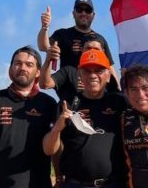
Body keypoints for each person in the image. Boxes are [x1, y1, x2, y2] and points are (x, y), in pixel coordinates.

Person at [43, 49, 127, 188]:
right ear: (80, 75)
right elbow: (48, 150)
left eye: (99, 70)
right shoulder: (67, 105)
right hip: (76, 184)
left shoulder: (119, 102)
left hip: (114, 183)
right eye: (87, 70)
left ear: (108, 75)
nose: (92, 75)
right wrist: (57, 129)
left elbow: (146, 104)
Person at [0, 46, 57, 188]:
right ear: (10, 69)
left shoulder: (49, 104)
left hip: (38, 184)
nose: (23, 68)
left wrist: (59, 176)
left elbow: (55, 147)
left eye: (29, 64)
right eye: (17, 63)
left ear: (38, 72)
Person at [37, 0, 120, 88]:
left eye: (88, 10)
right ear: (73, 13)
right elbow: (43, 47)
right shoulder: (62, 34)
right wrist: (45, 27)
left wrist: (118, 91)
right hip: (69, 91)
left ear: (93, 15)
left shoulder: (100, 39)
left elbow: (110, 67)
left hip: (95, 90)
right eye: (79, 10)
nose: (83, 13)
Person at [39, 33, 120, 103]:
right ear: (82, 49)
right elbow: (45, 84)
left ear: (103, 51)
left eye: (96, 49)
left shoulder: (107, 74)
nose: (92, 52)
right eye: (88, 48)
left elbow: (118, 94)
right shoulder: (69, 71)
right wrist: (48, 61)